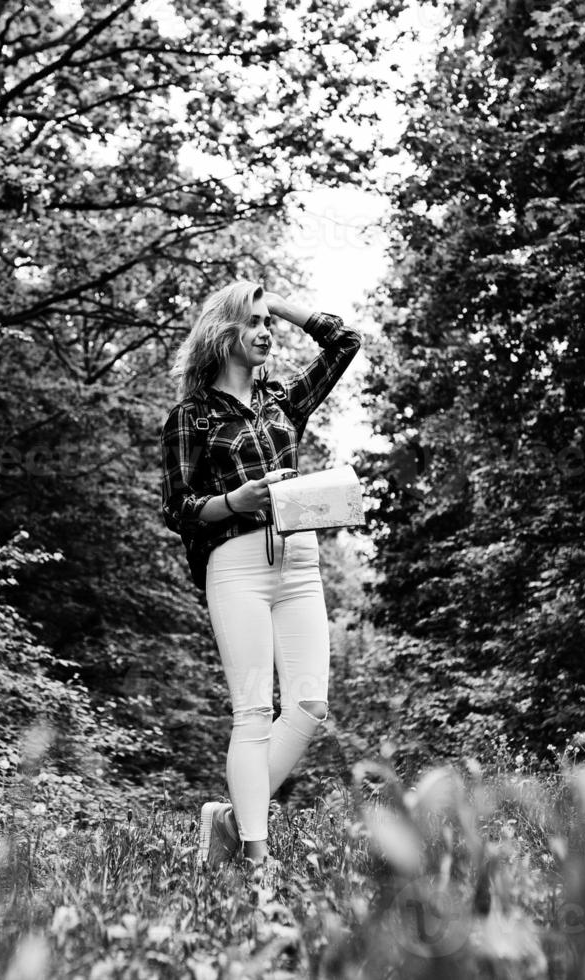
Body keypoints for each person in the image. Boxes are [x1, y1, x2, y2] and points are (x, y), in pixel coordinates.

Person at [159, 280, 361, 872]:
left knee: (309, 705)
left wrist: (279, 304)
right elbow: (176, 508)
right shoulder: (189, 417)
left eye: (266, 322)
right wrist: (234, 500)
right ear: (222, 335)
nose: (265, 331)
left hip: (300, 561)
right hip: (236, 564)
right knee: (251, 711)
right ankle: (255, 857)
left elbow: (345, 341)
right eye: (252, 322)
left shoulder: (283, 402)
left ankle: (226, 816)